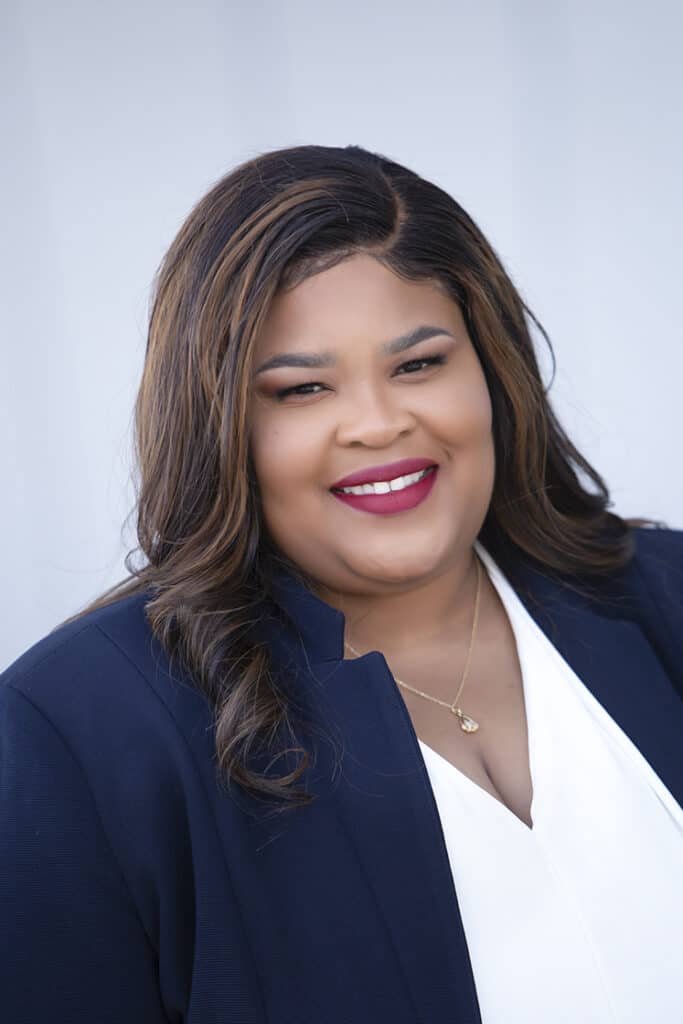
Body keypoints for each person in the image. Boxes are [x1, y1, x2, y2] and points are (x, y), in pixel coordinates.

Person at [1, 143, 681, 1024]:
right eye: (301, 389)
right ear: (218, 424)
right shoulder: (78, 731)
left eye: (418, 365)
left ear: (492, 374)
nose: (376, 423)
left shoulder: (662, 596)